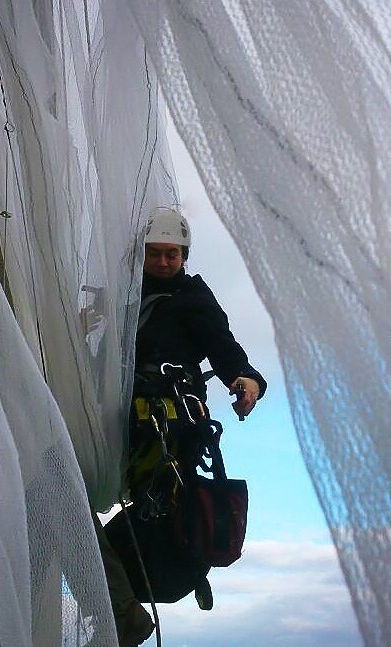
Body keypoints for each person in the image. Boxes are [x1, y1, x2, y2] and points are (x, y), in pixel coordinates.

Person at [101, 206, 267, 646]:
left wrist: (246, 379)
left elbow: (223, 346)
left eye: (171, 255)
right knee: (72, 497)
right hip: (117, 417)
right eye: (154, 254)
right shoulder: (122, 294)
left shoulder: (193, 298)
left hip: (169, 424)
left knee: (164, 508)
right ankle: (131, 603)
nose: (162, 263)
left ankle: (153, 590)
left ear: (184, 254)